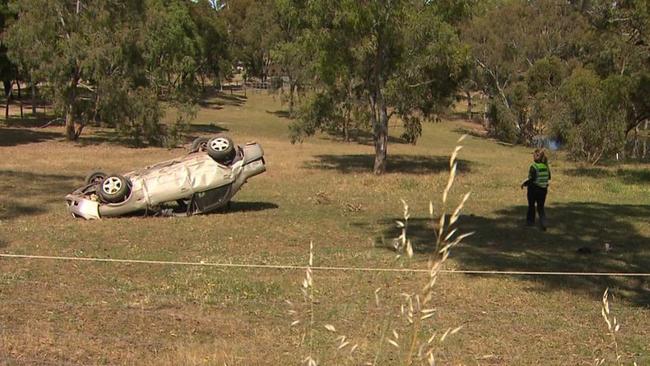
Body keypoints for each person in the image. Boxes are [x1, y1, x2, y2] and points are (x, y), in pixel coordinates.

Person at [521, 148, 551, 231]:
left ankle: (530, 222)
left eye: (533, 155)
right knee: (540, 207)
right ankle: (543, 222)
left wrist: (524, 184)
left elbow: (531, 179)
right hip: (543, 190)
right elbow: (549, 177)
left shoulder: (533, 167)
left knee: (531, 205)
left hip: (534, 190)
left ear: (536, 157)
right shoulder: (546, 167)